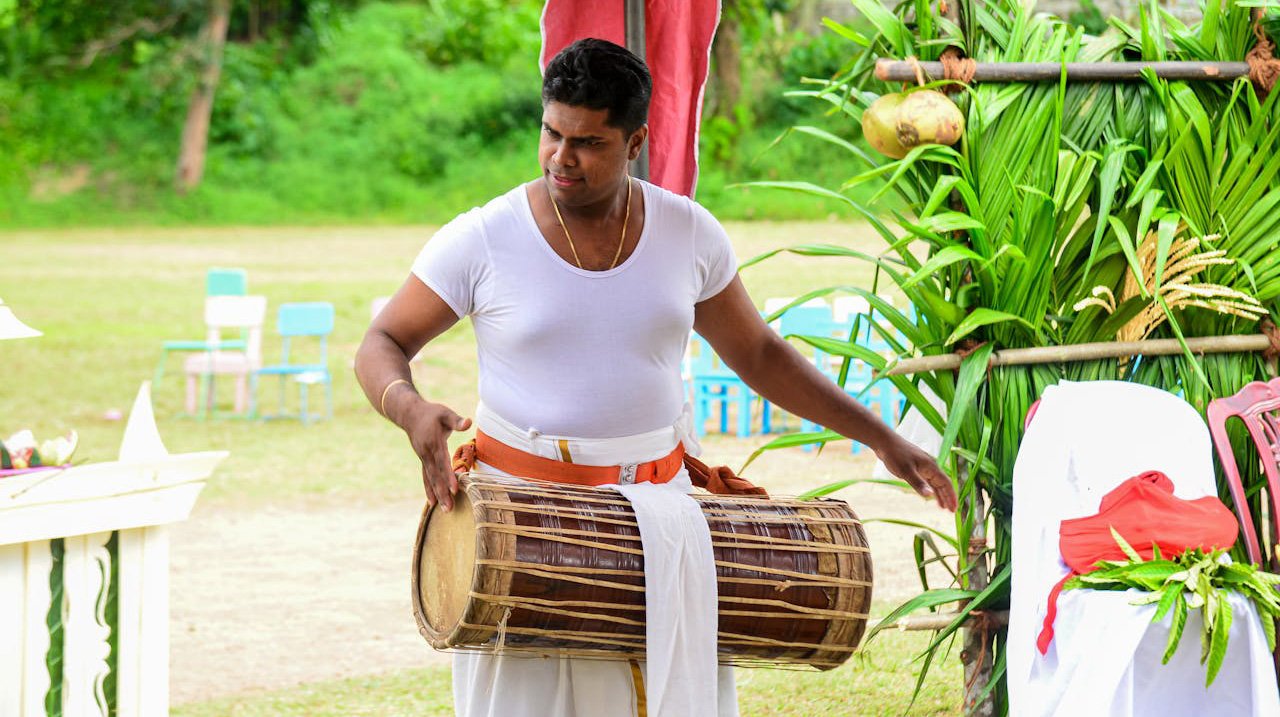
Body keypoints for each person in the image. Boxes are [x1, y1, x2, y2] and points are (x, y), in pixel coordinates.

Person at [356, 37, 956, 717]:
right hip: (522, 530)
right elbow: (382, 340)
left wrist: (881, 436)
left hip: (663, 527)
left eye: (589, 141)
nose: (562, 157)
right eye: (551, 133)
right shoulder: (485, 236)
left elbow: (758, 353)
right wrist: (406, 407)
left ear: (636, 139)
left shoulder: (688, 233)